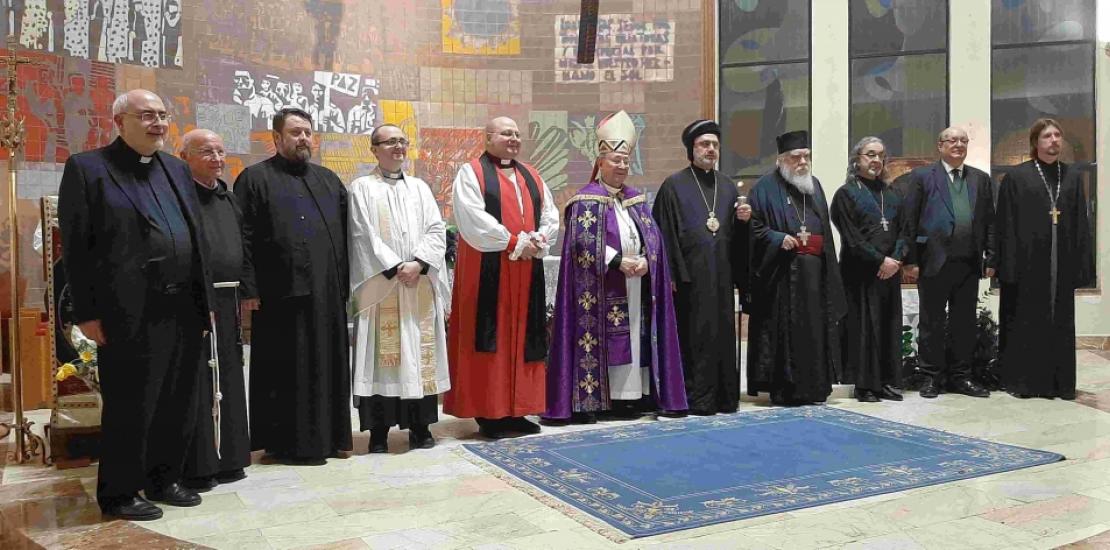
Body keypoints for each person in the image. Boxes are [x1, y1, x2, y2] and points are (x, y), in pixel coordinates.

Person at [59, 89, 213, 520]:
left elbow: (195, 236)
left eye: (163, 115)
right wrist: (86, 313)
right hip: (126, 312)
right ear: (119, 121)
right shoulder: (88, 169)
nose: (158, 124)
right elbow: (77, 247)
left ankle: (165, 480)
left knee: (177, 400)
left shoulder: (177, 169)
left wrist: (205, 303)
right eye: (147, 116)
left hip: (183, 306)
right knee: (131, 405)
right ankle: (120, 492)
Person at [544, 111, 687, 424]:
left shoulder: (635, 200)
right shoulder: (585, 200)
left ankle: (633, 398)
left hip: (638, 284)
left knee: (636, 336)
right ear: (600, 162)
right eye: (616, 160)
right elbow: (581, 242)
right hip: (602, 285)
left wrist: (649, 262)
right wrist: (619, 261)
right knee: (610, 339)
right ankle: (602, 400)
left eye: (626, 161)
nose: (622, 167)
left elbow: (654, 238)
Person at [234, 108, 352, 463]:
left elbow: (347, 237)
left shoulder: (329, 180)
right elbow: (243, 237)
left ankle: (329, 438)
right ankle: (286, 442)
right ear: (277, 138)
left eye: (307, 132)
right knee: (287, 368)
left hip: (327, 293)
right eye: (295, 132)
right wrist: (249, 289)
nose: (303, 139)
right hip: (278, 294)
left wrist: (344, 286)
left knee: (326, 365)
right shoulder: (254, 179)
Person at [443, 116, 559, 439]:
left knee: (524, 338)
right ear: (488, 137)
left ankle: (519, 409)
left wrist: (539, 238)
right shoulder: (472, 173)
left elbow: (550, 214)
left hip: (525, 268)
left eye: (517, 134)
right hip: (488, 268)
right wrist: (513, 241)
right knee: (491, 337)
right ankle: (490, 413)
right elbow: (472, 220)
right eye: (507, 133)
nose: (514, 139)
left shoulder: (532, 175)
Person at [348, 124, 450, 452]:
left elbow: (437, 229)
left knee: (420, 357)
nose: (398, 147)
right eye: (390, 142)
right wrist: (395, 267)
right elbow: (362, 234)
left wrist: (419, 263)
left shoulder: (420, 188)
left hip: (418, 283)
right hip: (383, 286)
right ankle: (378, 431)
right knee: (381, 359)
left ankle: (420, 428)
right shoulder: (362, 187)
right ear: (373, 149)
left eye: (402, 142)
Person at [652, 119, 750, 415]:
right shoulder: (673, 185)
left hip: (721, 277)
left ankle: (723, 398)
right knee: (693, 339)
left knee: (720, 336)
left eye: (715, 145)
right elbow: (662, 234)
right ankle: (694, 399)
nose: (710, 149)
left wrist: (745, 222)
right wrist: (671, 274)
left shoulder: (729, 186)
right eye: (704, 144)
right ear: (691, 149)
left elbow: (735, 237)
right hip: (688, 280)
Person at [996, 119, 1094, 399]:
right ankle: (1026, 383)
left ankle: (1060, 384)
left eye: (1057, 135)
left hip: (1061, 262)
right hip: (1027, 263)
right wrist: (1008, 267)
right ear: (1035, 142)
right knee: (1026, 320)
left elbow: (1081, 224)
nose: (1054, 140)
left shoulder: (1072, 176)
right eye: (1047, 136)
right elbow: (1006, 225)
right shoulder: (1017, 177)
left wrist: (1081, 266)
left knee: (1060, 320)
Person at [747, 130, 846, 405]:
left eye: (806, 156)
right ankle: (786, 389)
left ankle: (815, 388)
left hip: (814, 275)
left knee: (815, 330)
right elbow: (752, 228)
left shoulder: (814, 185)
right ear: (781, 159)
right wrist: (777, 238)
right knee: (786, 333)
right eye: (795, 157)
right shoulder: (763, 188)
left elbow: (824, 228)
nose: (802, 162)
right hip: (782, 275)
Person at [178, 129, 251, 491]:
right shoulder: (180, 198)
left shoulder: (229, 199)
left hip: (228, 300)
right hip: (194, 301)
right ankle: (199, 464)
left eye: (221, 152)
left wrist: (248, 290)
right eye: (207, 152)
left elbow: (244, 245)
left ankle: (231, 457)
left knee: (230, 378)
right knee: (202, 380)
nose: (217, 159)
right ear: (185, 156)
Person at [902, 127, 996, 399]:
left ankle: (961, 377)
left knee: (964, 323)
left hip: (968, 263)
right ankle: (930, 377)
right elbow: (910, 218)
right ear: (940, 146)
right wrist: (910, 260)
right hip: (933, 261)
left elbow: (990, 220)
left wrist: (991, 256)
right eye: (952, 140)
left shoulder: (980, 179)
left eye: (963, 140)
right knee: (931, 322)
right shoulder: (922, 177)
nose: (958, 145)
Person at [830, 137, 907, 403]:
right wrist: (880, 261)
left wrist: (895, 259)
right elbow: (852, 239)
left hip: (890, 273)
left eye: (880, 155)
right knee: (864, 329)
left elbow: (905, 232)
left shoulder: (892, 193)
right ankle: (865, 385)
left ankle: (886, 382)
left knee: (888, 326)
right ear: (857, 159)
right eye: (870, 154)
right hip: (860, 273)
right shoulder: (846, 194)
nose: (876, 160)